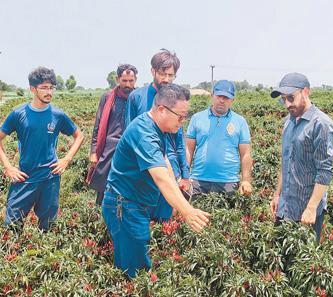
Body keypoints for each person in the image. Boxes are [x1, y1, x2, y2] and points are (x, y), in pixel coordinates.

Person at [102, 84, 210, 278]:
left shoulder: (157, 128)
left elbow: (165, 162)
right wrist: (188, 211)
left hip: (135, 205)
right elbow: (160, 177)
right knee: (135, 272)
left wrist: (177, 191)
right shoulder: (144, 132)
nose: (182, 122)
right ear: (161, 110)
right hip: (124, 207)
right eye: (180, 116)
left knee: (135, 262)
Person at [0, 67, 84, 230]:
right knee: (11, 226)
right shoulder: (18, 114)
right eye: (44, 87)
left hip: (50, 178)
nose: (49, 92)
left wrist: (66, 159)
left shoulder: (58, 115)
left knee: (48, 226)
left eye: (52, 87)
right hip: (25, 176)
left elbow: (79, 136)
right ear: (32, 89)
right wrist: (8, 167)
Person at [269, 72, 333, 243]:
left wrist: (312, 207)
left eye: (291, 97)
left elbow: (325, 171)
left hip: (307, 211)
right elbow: (286, 162)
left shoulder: (321, 124)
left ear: (306, 92)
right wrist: (277, 195)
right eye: (283, 99)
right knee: (282, 260)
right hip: (285, 207)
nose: (287, 104)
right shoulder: (288, 122)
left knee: (303, 263)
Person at [125, 49, 190, 220]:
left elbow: (179, 142)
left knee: (167, 217)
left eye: (171, 75)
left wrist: (185, 174)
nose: (166, 79)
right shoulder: (137, 97)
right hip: (144, 166)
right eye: (163, 73)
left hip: (170, 166)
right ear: (153, 71)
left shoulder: (176, 98)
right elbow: (129, 134)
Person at [186, 80, 253, 197]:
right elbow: (188, 149)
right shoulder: (197, 118)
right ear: (212, 96)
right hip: (198, 180)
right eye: (219, 96)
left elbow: (246, 154)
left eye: (226, 98)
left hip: (228, 181)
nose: (222, 100)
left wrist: (245, 180)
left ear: (232, 100)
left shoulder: (240, 121)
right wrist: (185, 176)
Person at [87, 64, 138, 205]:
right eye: (124, 81)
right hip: (109, 147)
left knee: (129, 187)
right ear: (117, 79)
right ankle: (100, 215)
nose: (128, 84)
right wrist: (93, 152)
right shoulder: (108, 97)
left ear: (136, 80)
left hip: (131, 148)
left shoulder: (138, 97)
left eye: (131, 81)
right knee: (103, 186)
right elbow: (98, 126)